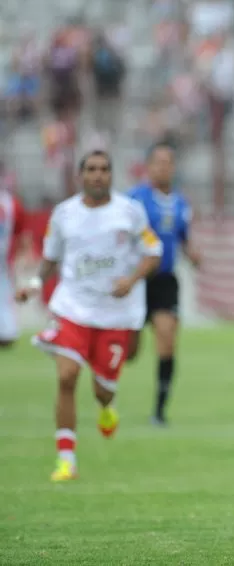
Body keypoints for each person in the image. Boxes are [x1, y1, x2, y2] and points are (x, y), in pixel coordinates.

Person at [15, 150, 162, 481]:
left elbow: (153, 252)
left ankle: (107, 407)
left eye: (104, 169)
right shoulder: (64, 214)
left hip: (114, 314)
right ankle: (66, 460)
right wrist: (35, 284)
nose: (98, 175)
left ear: (112, 175)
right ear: (80, 175)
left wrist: (132, 279)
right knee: (66, 376)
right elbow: (51, 258)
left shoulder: (130, 212)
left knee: (102, 391)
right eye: (91, 169)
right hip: (73, 309)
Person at [127, 143, 199, 425]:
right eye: (158, 162)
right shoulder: (133, 200)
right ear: (148, 166)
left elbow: (184, 238)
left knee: (167, 340)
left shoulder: (181, 203)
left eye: (168, 162)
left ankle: (159, 411)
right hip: (136, 281)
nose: (164, 167)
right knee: (129, 352)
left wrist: (193, 253)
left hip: (165, 280)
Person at [0, 189, 30, 348]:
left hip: (4, 261)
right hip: (5, 260)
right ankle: (6, 331)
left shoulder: (11, 203)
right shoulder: (11, 203)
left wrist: (26, 254)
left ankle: (6, 332)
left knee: (5, 293)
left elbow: (23, 231)